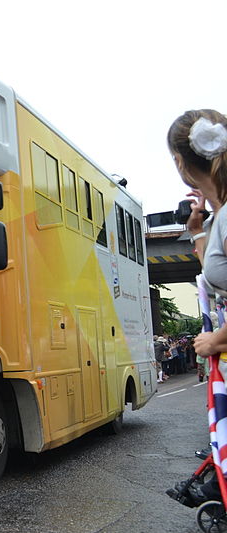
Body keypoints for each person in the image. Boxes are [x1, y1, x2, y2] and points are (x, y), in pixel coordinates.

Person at [167, 109, 227, 504]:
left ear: (180, 162)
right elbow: (214, 271)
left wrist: (217, 339)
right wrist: (196, 230)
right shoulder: (220, 216)